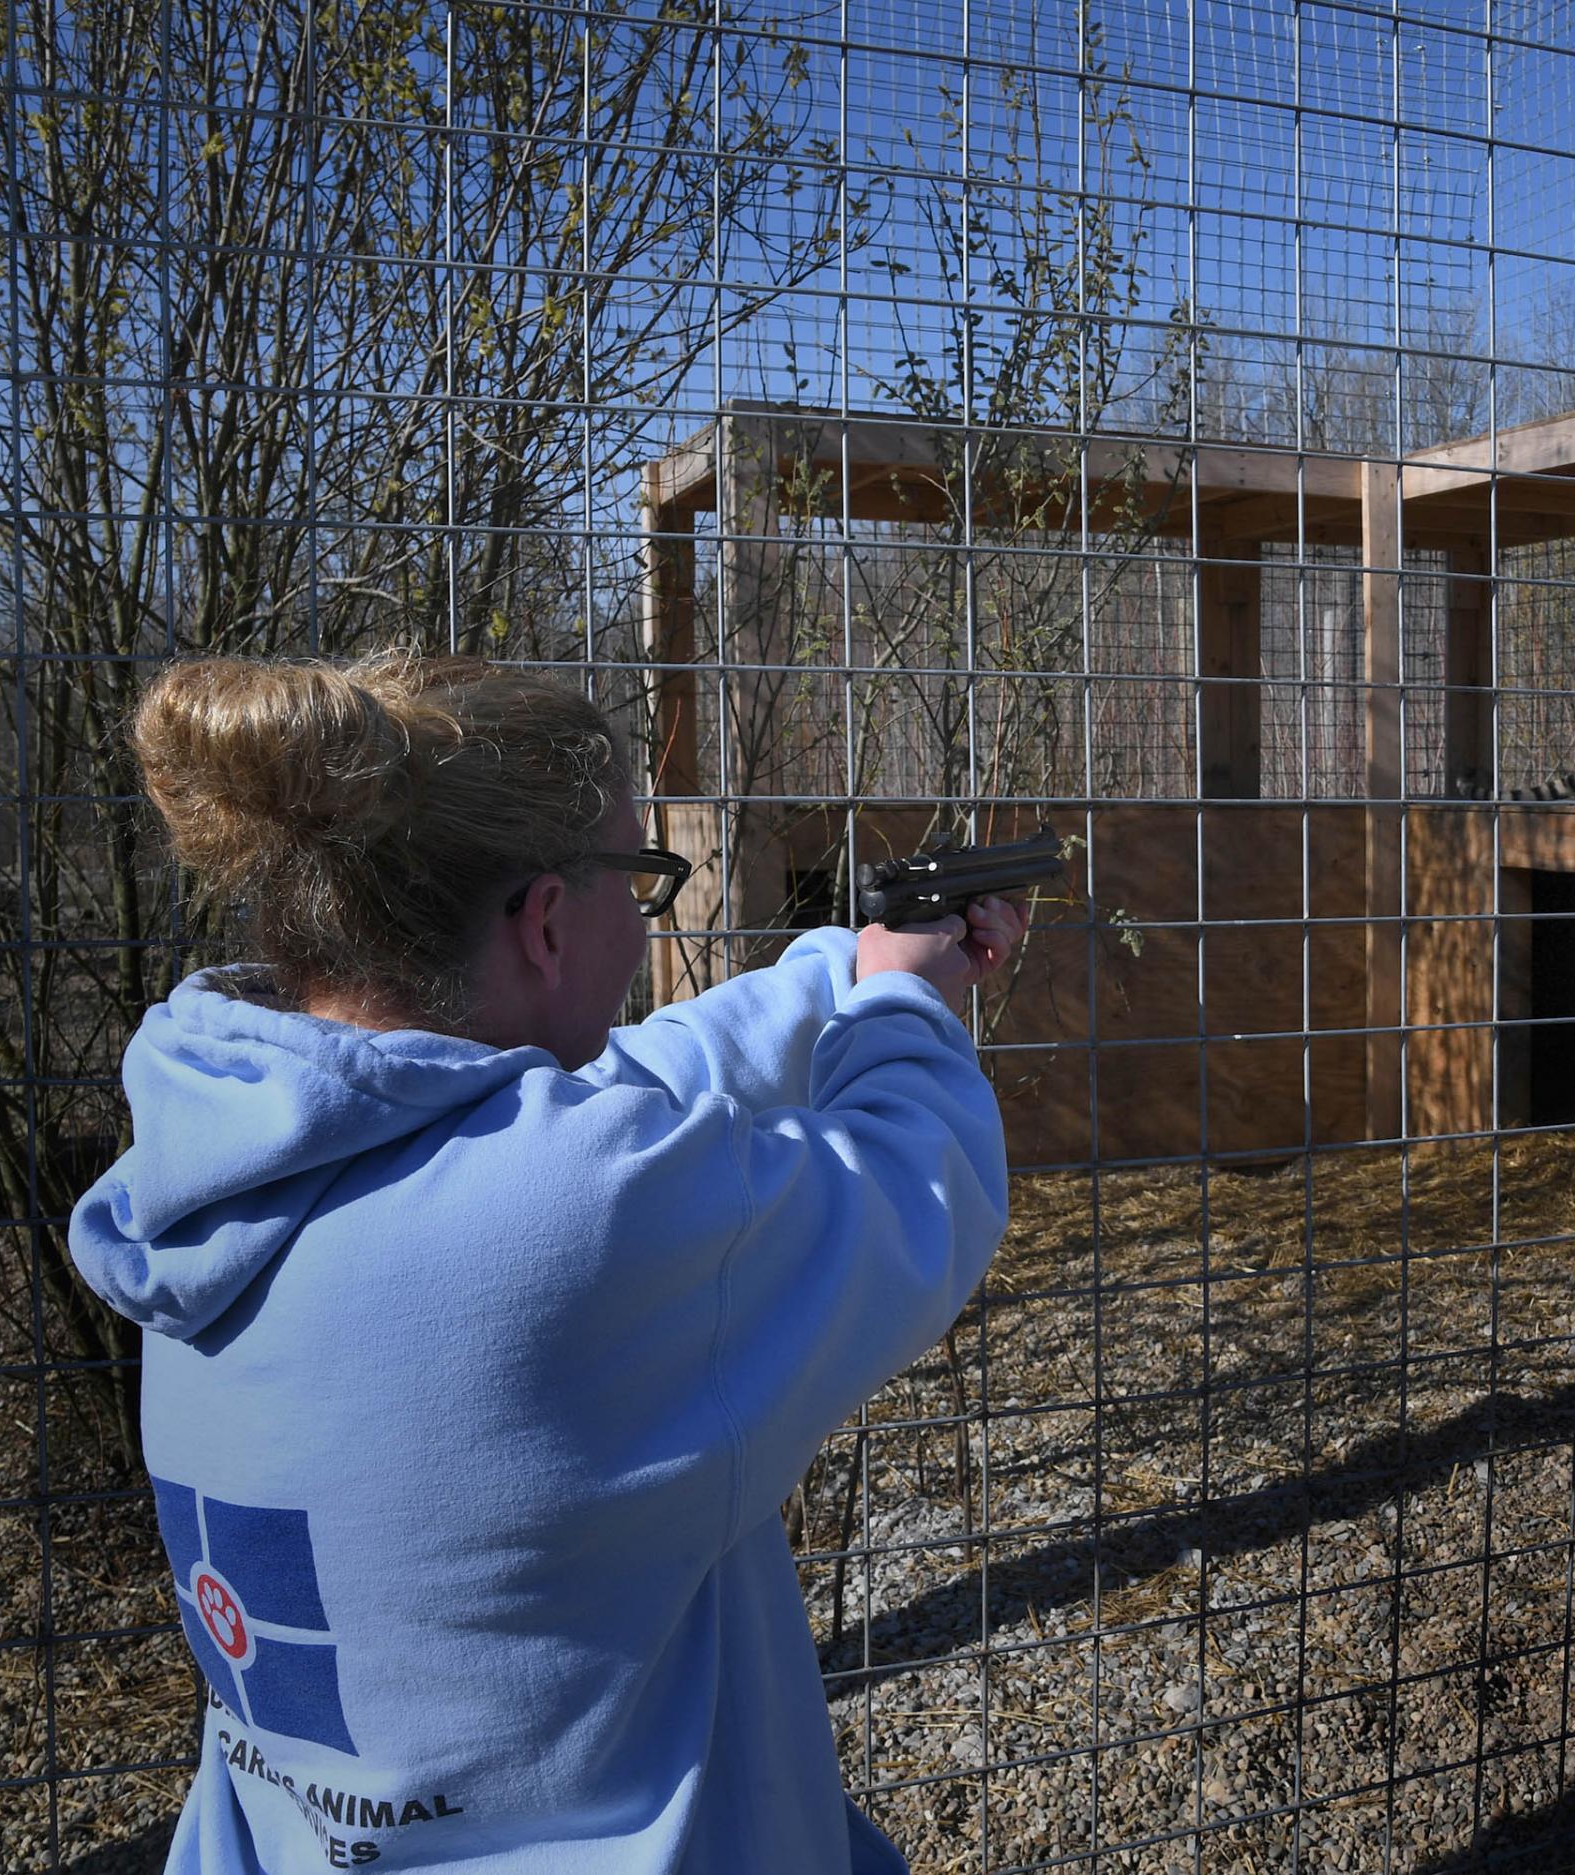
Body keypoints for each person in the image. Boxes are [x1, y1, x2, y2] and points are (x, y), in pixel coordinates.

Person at [67, 649, 1026, 1873]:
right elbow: (916, 1188)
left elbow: (608, 1099)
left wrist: (841, 968)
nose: (645, 916)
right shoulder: (575, 1209)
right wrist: (906, 1007)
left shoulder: (224, 1156)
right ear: (545, 919)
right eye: (637, 876)